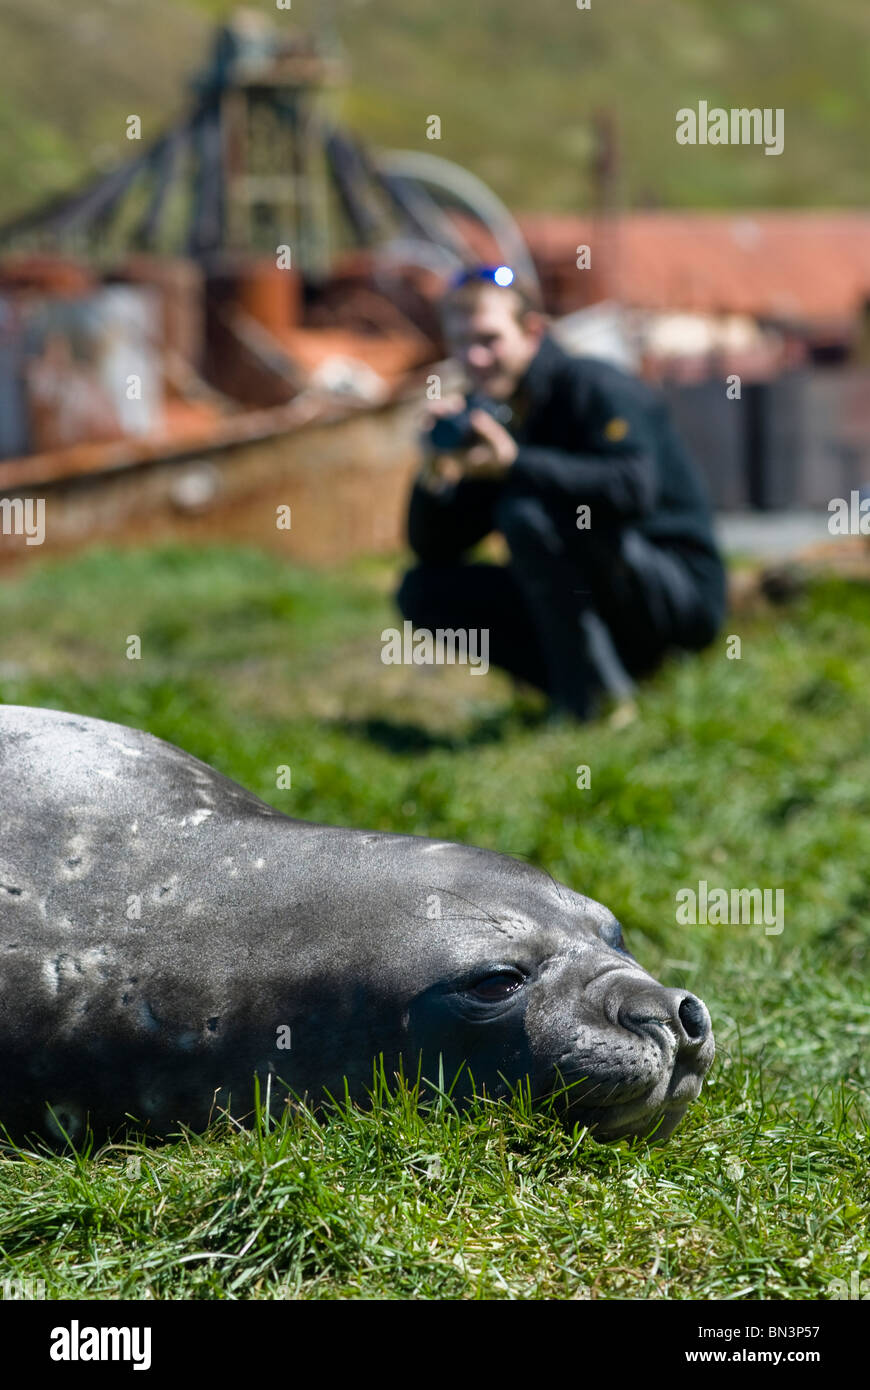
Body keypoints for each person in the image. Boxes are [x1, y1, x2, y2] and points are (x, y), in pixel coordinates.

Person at [397, 265, 727, 719]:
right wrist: (436, 471)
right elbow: (434, 550)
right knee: (423, 592)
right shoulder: (491, 413)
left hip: (674, 590)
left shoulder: (595, 385)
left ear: (533, 331)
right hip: (598, 597)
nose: (473, 358)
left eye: (488, 340)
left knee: (526, 514)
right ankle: (586, 688)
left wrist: (515, 464)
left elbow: (633, 489)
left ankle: (590, 701)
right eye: (460, 344)